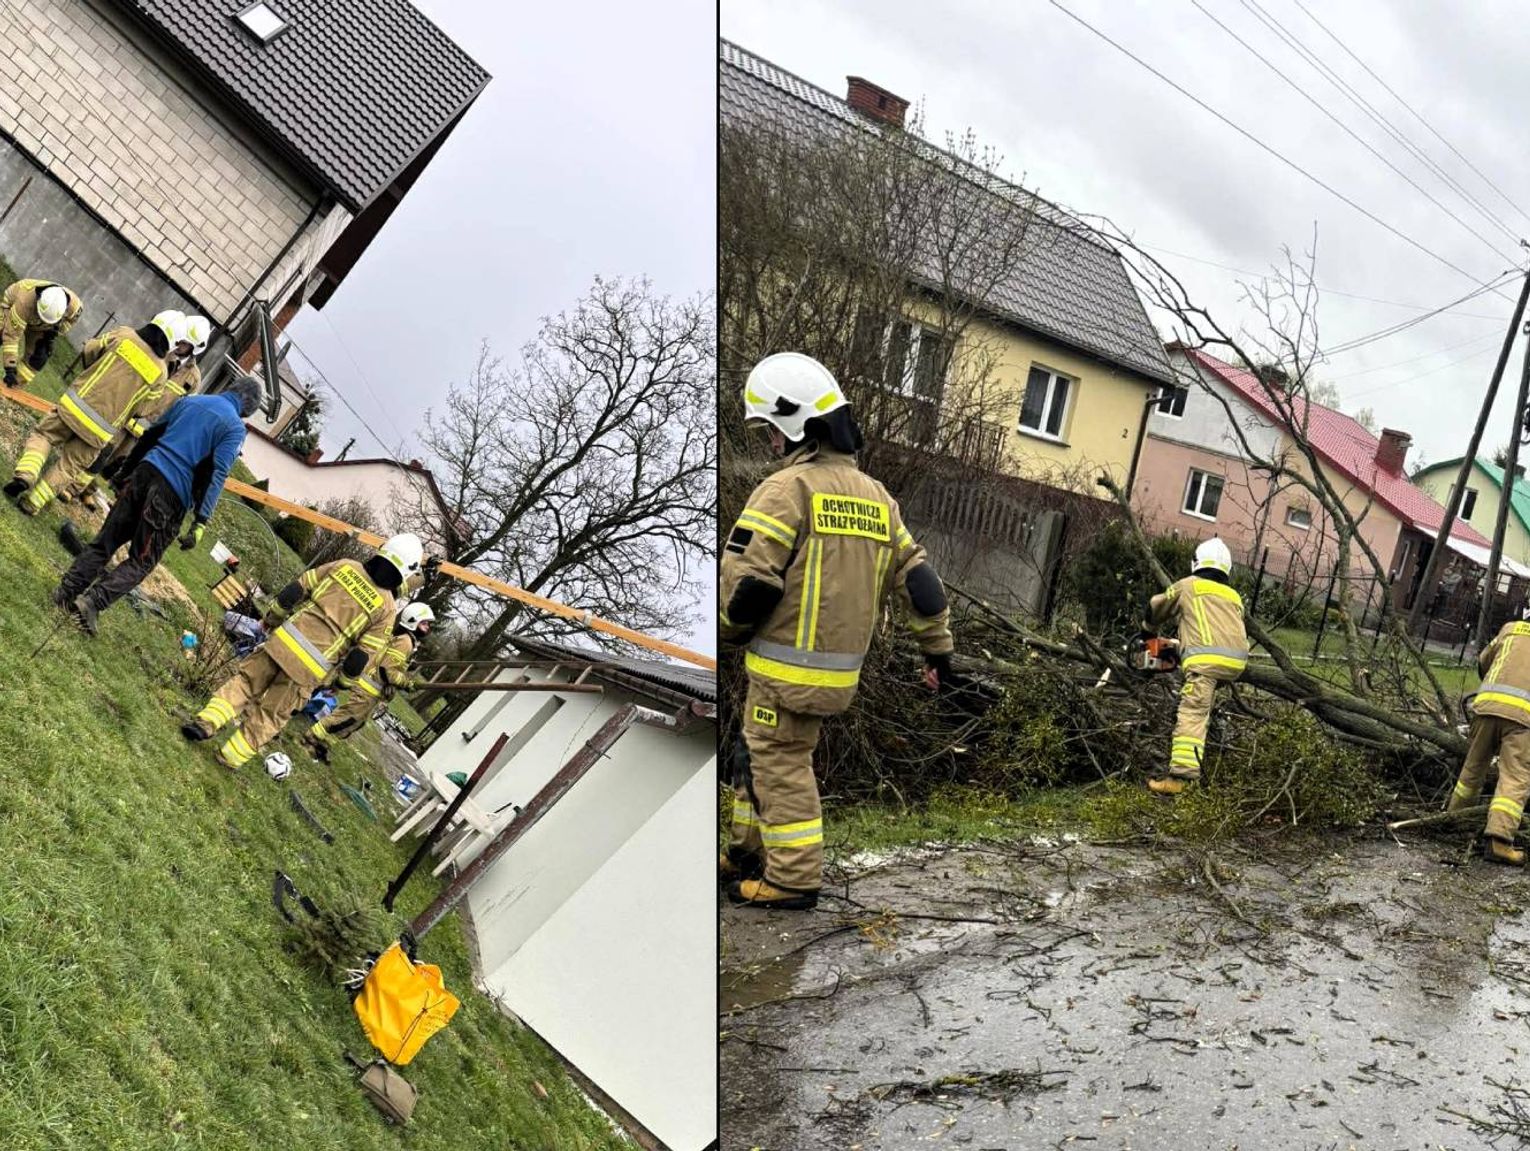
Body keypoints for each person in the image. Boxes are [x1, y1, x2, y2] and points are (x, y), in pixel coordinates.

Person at [719, 353, 955, 911]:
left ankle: (793, 878)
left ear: (799, 423)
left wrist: (727, 633)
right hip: (838, 674)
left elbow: (749, 585)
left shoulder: (787, 489)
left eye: (773, 430)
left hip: (782, 669)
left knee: (779, 761)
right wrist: (938, 650)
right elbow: (919, 581)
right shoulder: (878, 499)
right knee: (754, 753)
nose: (772, 442)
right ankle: (745, 851)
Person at [180, 534, 423, 770]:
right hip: (308, 670)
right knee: (271, 714)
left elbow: (295, 590)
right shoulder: (387, 610)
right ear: (405, 574)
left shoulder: (345, 566)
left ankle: (206, 722)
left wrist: (271, 619)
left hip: (281, 643)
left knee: (244, 683)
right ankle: (229, 757)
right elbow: (360, 657)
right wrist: (341, 684)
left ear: (383, 549)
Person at [55, 376, 260, 634]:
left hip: (144, 471)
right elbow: (216, 473)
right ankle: (91, 603)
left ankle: (65, 592)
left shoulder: (190, 401)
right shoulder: (234, 428)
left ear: (232, 388)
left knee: (106, 540)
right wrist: (201, 521)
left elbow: (150, 435)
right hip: (171, 494)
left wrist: (124, 471)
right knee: (141, 561)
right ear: (247, 409)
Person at [5, 310, 185, 515]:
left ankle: (26, 474)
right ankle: (32, 502)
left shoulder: (124, 335)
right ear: (173, 342)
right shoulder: (161, 373)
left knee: (44, 436)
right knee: (69, 465)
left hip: (74, 407)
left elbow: (90, 350)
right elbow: (144, 409)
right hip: (101, 430)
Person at [64, 314, 212, 505]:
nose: (180, 345)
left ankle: (88, 490)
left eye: (185, 344)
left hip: (145, 430)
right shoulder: (159, 353)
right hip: (124, 413)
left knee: (117, 465)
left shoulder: (193, 378)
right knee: (101, 452)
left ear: (194, 348)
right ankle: (72, 488)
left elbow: (182, 410)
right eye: (181, 340)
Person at [1143, 537, 1249, 795]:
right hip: (1236, 661)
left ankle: (1180, 778)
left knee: (1192, 711)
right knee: (1202, 697)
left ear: (1196, 562)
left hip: (1206, 662)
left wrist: (1147, 631)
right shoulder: (1233, 595)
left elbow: (1157, 606)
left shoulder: (1188, 586)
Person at [1446, 608, 1530, 865]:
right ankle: (1499, 840)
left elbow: (1483, 663)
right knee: (1515, 776)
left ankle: (1454, 819)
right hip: (1523, 718)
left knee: (1473, 767)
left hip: (1487, 707)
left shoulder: (1510, 629)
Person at [301, 601, 435, 761]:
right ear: (413, 621)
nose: (428, 628)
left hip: (373, 690)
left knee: (353, 723)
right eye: (424, 623)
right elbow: (388, 670)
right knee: (346, 718)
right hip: (369, 689)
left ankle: (322, 745)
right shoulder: (405, 642)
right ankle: (311, 738)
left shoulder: (406, 640)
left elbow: (389, 665)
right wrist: (408, 683)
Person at [1, 279, 82, 388]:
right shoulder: (24, 302)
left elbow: (71, 321)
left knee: (39, 357)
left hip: (41, 326)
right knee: (2, 332)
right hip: (13, 304)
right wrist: (10, 367)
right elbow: (11, 336)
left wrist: (56, 332)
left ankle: (12, 387)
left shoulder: (75, 307)